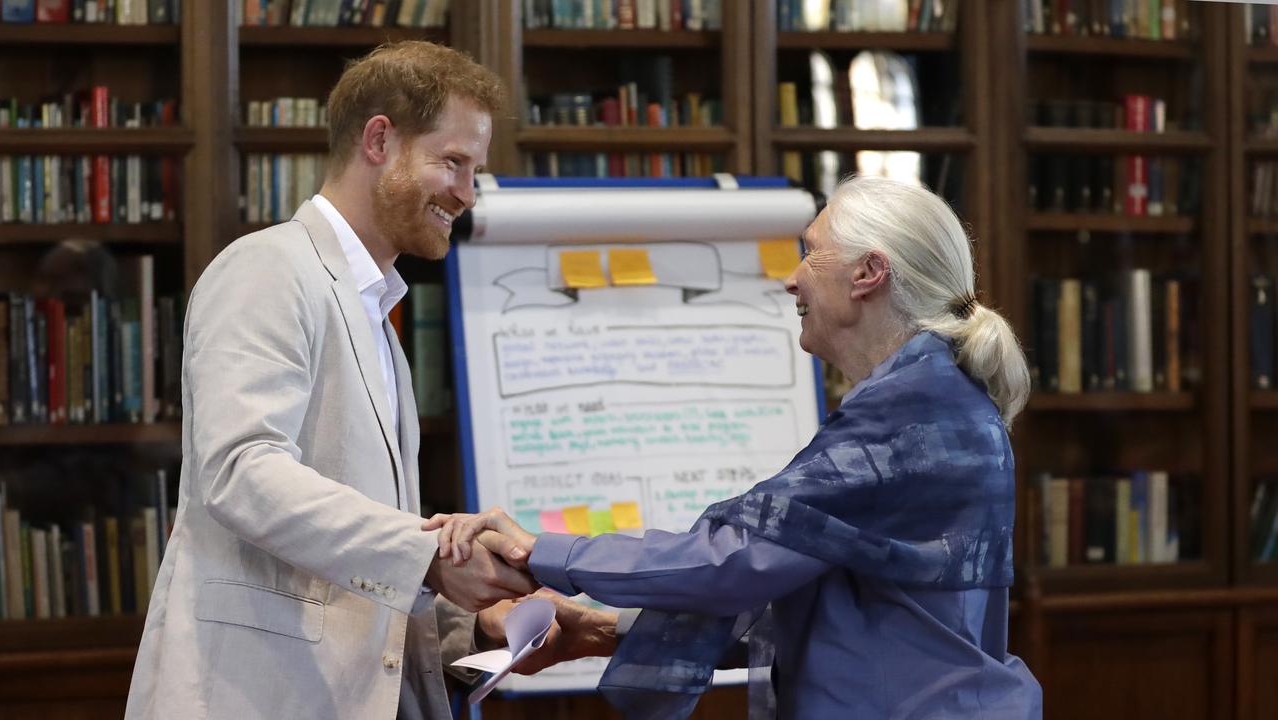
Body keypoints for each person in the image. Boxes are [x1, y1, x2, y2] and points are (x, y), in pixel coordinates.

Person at [428, 175, 1045, 719]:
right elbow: (827, 613)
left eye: (810, 254)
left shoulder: (913, 408)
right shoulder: (935, 396)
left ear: (869, 274)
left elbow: (734, 560)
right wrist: (602, 627)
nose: (790, 279)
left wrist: (538, 550)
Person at [124, 41, 541, 720]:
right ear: (380, 139)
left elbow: (352, 566)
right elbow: (240, 469)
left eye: (475, 170)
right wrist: (428, 551)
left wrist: (476, 630)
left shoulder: (374, 308)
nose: (467, 194)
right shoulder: (268, 268)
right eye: (453, 162)